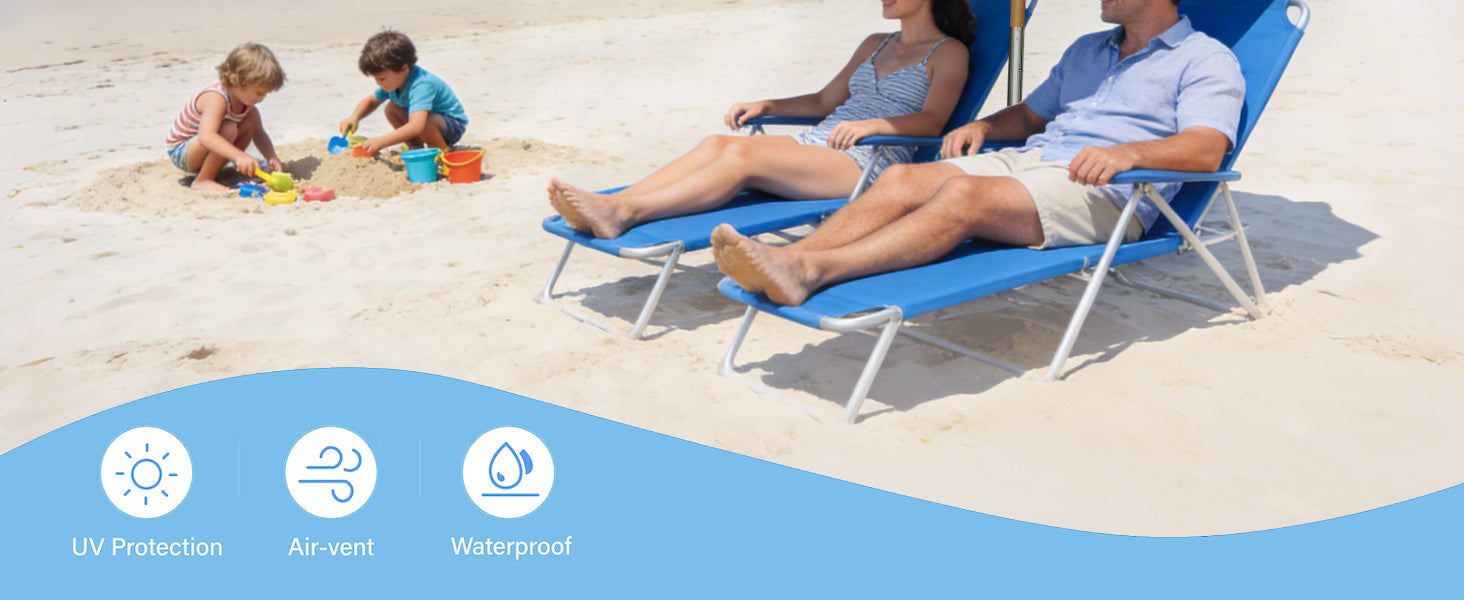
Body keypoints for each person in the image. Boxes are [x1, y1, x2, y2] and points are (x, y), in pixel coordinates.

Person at [713, 0, 1243, 307]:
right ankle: (789, 260)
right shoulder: (1088, 49)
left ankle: (813, 271)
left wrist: (1130, 152)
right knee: (900, 182)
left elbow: (1207, 148)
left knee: (963, 194)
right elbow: (1032, 116)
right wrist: (985, 125)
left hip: (1110, 191)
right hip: (1034, 160)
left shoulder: (1206, 60)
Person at [548, 0, 978, 240]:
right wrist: (768, 106)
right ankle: (610, 203)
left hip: (867, 161)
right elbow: (825, 100)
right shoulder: (875, 43)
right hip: (822, 141)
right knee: (720, 144)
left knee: (742, 162)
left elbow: (933, 122)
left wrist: (874, 126)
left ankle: (625, 210)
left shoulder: (948, 52)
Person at [164, 43, 287, 192]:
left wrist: (271, 157)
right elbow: (206, 137)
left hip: (203, 150)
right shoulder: (216, 97)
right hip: (182, 151)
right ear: (238, 81)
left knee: (251, 119)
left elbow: (259, 134)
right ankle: (203, 180)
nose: (262, 98)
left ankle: (215, 170)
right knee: (229, 128)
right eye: (259, 93)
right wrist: (239, 156)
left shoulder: (247, 107)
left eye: (266, 94)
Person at [341, 30, 469, 155]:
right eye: (375, 78)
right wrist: (354, 117)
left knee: (423, 121)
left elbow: (416, 126)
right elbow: (371, 101)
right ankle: (415, 146)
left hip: (452, 125)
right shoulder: (396, 82)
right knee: (392, 108)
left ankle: (441, 152)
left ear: (404, 68)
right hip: (428, 122)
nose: (378, 83)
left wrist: (380, 141)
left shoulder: (421, 84)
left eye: (382, 78)